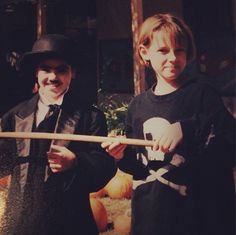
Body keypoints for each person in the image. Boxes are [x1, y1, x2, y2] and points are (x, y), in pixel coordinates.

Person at [101, 13, 235, 235]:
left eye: (179, 50)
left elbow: (230, 143)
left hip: (200, 219)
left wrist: (187, 128)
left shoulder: (203, 95)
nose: (173, 57)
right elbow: (139, 166)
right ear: (145, 53)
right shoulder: (138, 106)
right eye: (163, 50)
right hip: (153, 217)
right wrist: (121, 156)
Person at [0, 34, 117, 235]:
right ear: (36, 72)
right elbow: (3, 163)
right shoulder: (14, 116)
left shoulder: (90, 117)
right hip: (23, 223)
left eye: (61, 70)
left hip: (70, 222)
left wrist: (76, 162)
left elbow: (103, 168)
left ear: (73, 73)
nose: (53, 77)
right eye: (46, 69)